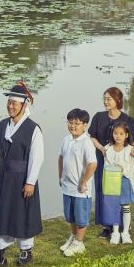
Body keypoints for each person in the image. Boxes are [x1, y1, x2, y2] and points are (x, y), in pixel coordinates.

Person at [0, 80, 44, 267]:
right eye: (9, 103)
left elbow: (37, 158)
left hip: (22, 179)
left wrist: (30, 182)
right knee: (1, 212)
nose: (10, 107)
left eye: (14, 104)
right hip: (4, 177)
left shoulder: (33, 129)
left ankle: (26, 250)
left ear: (24, 105)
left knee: (22, 213)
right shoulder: (3, 124)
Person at [88, 87, 134, 237]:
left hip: (121, 159)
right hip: (103, 158)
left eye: (109, 99)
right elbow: (92, 136)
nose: (106, 101)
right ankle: (107, 226)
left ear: (118, 100)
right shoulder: (98, 117)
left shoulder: (128, 120)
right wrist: (101, 149)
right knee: (103, 190)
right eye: (104, 98)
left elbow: (133, 141)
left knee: (121, 192)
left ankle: (123, 225)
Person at [58, 108, 97, 257]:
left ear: (84, 125)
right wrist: (60, 175)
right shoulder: (66, 139)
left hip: (81, 189)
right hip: (67, 186)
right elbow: (60, 158)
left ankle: (79, 243)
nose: (73, 126)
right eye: (70, 122)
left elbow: (92, 164)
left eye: (77, 123)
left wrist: (83, 181)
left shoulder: (86, 143)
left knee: (81, 217)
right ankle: (73, 237)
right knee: (70, 215)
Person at [103, 122, 134, 244]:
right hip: (112, 181)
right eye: (115, 133)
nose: (117, 136)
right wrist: (113, 170)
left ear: (126, 135)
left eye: (121, 134)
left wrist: (124, 169)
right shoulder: (108, 149)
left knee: (125, 207)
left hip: (125, 181)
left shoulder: (130, 150)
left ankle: (125, 232)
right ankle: (115, 232)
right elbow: (105, 166)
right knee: (114, 207)